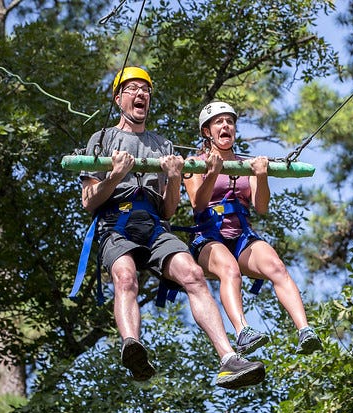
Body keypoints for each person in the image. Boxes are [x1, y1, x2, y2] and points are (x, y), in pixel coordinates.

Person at [79, 68, 265, 389]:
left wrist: (176, 178)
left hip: (153, 224)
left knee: (192, 274)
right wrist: (114, 174)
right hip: (117, 221)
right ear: (118, 98)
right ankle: (132, 344)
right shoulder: (103, 139)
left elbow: (167, 208)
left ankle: (228, 358)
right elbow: (88, 201)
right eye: (133, 89)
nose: (140, 95)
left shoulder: (161, 145)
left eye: (145, 91)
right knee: (125, 277)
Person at [182, 101, 322, 356]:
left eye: (230, 122)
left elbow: (262, 207)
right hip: (208, 238)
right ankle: (243, 331)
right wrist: (212, 173)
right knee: (229, 269)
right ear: (207, 132)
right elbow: (198, 204)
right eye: (218, 122)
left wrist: (262, 175)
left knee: (276, 266)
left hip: (242, 236)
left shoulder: (247, 165)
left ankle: (304, 330)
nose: (225, 126)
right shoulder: (195, 164)